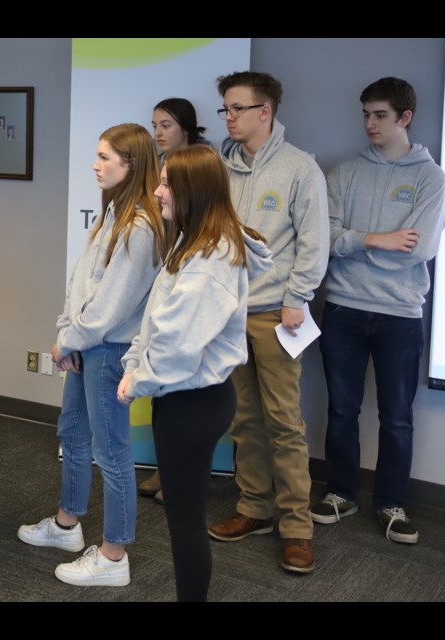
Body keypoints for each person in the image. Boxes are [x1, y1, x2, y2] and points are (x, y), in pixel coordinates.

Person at [118, 145, 271, 601]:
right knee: (183, 520)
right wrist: (138, 368)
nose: (158, 192)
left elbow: (177, 343)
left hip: (192, 401)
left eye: (166, 184)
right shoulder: (195, 240)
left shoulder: (210, 259)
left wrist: (136, 380)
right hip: (185, 396)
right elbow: (158, 323)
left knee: (185, 523)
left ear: (193, 191)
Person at [18, 124, 167, 587]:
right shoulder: (113, 213)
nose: (95, 164)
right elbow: (82, 283)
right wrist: (68, 334)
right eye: (97, 155)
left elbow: (113, 304)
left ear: (132, 164)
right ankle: (67, 526)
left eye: (106, 157)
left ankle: (114, 556)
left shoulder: (141, 226)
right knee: (73, 433)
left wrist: (74, 339)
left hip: (110, 349)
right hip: (88, 345)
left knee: (113, 452)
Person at [313, 77, 445, 544]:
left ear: (404, 118)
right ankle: (340, 493)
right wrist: (375, 239)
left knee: (397, 416)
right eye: (366, 114)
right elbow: (323, 239)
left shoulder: (431, 177)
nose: (370, 123)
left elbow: (418, 249)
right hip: (345, 309)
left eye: (380, 115)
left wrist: (353, 242)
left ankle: (391, 503)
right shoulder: (344, 172)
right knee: (342, 409)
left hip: (401, 315)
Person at [206, 71, 328, 574]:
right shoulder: (219, 168)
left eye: (237, 109)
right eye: (225, 110)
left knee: (284, 422)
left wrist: (297, 298)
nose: (229, 118)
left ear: (265, 112)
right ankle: (253, 508)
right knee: (244, 420)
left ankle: (297, 527)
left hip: (279, 314)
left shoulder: (301, 169)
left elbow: (313, 243)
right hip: (230, 313)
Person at [140, 97, 209, 505]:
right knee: (162, 393)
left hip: (188, 285)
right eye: (154, 125)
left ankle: (178, 477)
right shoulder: (156, 173)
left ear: (186, 128)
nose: (159, 133)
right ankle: (165, 470)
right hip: (163, 280)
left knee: (185, 396)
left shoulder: (199, 169)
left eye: (166, 124)